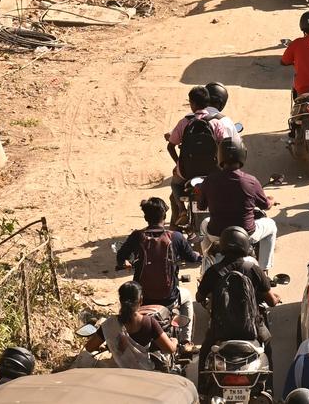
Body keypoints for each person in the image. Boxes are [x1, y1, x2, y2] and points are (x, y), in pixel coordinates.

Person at [116, 197, 200, 349]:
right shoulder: (176, 237)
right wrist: (200, 256)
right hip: (169, 298)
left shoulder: (137, 236)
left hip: (143, 299)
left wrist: (126, 263)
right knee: (187, 297)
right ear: (164, 216)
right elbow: (192, 258)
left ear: (146, 217)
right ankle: (185, 342)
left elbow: (121, 256)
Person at [196, 226, 279, 372]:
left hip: (220, 329)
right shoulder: (253, 269)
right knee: (268, 348)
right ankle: (269, 389)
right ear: (246, 245)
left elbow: (199, 297)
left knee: (204, 353)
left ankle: (201, 389)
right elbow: (271, 301)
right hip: (252, 327)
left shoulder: (213, 272)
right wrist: (276, 299)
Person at [199, 137, 278, 273]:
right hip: (247, 234)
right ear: (242, 155)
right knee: (271, 225)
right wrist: (271, 200)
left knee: (204, 224)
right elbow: (265, 205)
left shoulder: (209, 181)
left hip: (216, 234)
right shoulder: (251, 181)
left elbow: (201, 206)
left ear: (219, 157)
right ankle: (264, 269)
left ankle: (207, 261)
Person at [166, 85, 236, 225]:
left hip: (187, 172)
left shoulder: (185, 122)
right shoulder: (216, 122)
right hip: (213, 170)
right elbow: (225, 145)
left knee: (175, 184)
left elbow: (170, 146)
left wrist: (178, 163)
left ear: (192, 103)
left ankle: (182, 210)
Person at [84, 281, 178, 370]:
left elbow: (89, 347)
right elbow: (170, 349)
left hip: (118, 371)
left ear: (120, 300)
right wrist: (174, 341)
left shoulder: (109, 324)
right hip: (143, 371)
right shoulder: (149, 322)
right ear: (141, 300)